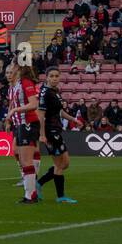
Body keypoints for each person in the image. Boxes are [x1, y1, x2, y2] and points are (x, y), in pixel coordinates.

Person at [37, 67, 79, 204]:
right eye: (52, 76)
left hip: (56, 130)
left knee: (64, 163)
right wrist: (42, 135)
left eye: (56, 76)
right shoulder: (45, 93)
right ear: (47, 78)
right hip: (50, 132)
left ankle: (39, 183)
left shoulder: (55, 92)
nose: (55, 78)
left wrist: (73, 119)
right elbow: (41, 116)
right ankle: (60, 197)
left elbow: (59, 112)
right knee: (60, 164)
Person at [6, 62, 42, 204]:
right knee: (23, 159)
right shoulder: (14, 85)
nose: (9, 70)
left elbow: (34, 104)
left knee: (26, 160)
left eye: (12, 67)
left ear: (18, 69)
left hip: (28, 123)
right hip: (21, 124)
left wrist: (15, 110)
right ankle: (30, 194)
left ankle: (31, 195)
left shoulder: (26, 82)